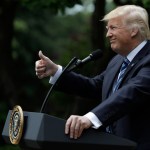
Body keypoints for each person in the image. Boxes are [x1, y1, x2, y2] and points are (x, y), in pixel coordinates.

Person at [35, 5, 150, 150]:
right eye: (108, 29)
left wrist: (90, 118)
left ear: (134, 30)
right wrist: (56, 71)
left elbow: (131, 92)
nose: (108, 34)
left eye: (113, 28)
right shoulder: (117, 61)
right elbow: (94, 87)